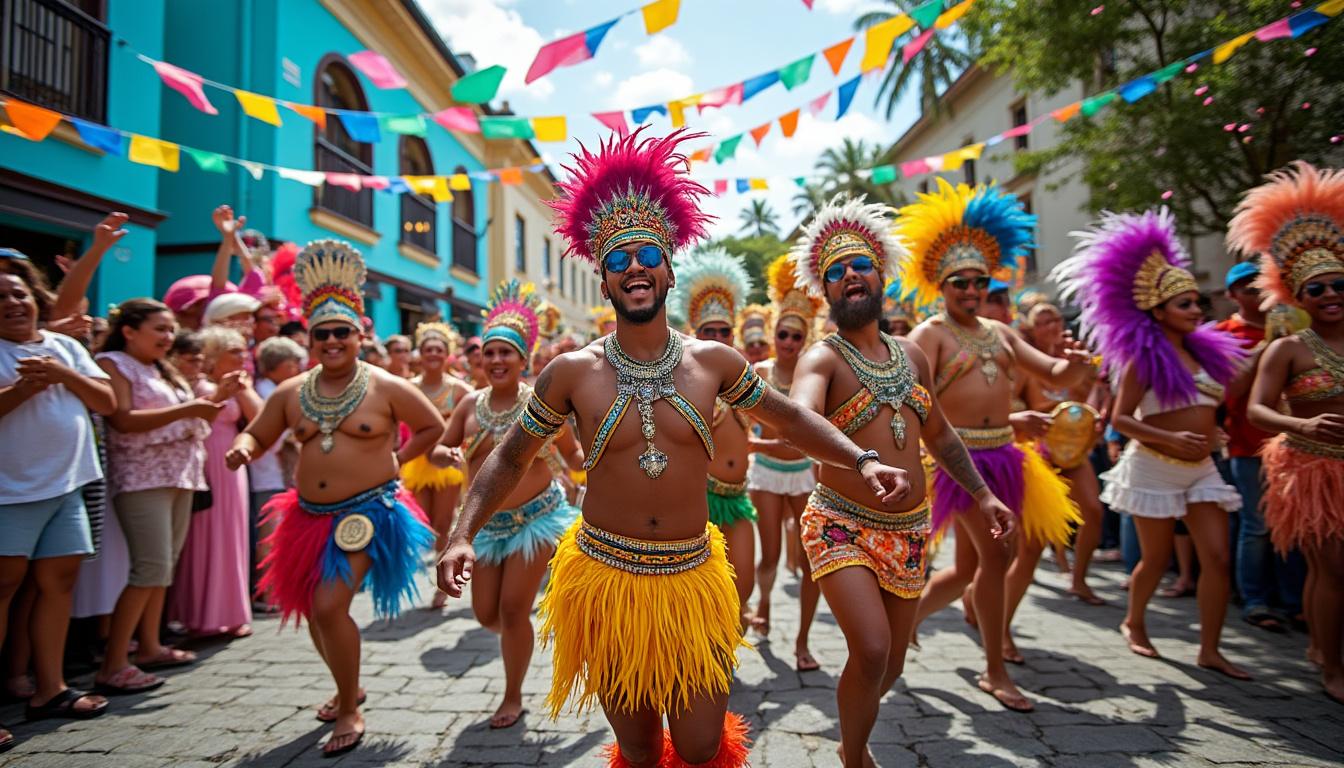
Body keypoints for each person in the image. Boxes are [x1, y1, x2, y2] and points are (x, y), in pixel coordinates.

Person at [438, 129, 912, 768]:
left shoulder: (714, 361)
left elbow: (792, 418)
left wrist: (860, 458)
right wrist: (463, 532)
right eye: (619, 258)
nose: (635, 265)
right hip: (606, 577)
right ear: (604, 281)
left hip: (694, 574)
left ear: (668, 267)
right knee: (635, 748)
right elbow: (510, 455)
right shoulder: (570, 373)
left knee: (700, 744)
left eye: (648, 253)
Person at [786, 195, 1013, 765]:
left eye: (859, 264)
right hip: (840, 523)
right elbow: (800, 418)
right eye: (835, 272)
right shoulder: (822, 359)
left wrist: (983, 495)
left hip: (910, 531)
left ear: (880, 273)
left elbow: (939, 435)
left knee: (890, 666)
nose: (849, 276)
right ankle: (855, 755)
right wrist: (861, 460)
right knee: (871, 647)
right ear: (827, 291)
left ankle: (849, 737)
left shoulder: (912, 356)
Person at [225, 239, 441, 756]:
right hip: (307, 515)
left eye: (342, 331)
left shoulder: (385, 385)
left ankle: (349, 706)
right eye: (322, 333)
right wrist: (241, 446)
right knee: (315, 612)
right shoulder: (290, 391)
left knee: (328, 606)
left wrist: (397, 463)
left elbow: (431, 426)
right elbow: (258, 431)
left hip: (370, 511)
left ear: (359, 334)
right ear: (311, 339)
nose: (332, 340)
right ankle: (350, 683)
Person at [903, 180, 1087, 712]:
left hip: (1007, 457)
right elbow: (918, 402)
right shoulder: (929, 336)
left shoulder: (1000, 333)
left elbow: (1052, 371)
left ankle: (912, 615)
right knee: (997, 554)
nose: (970, 290)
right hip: (958, 464)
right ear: (941, 284)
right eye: (959, 281)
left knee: (969, 568)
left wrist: (1076, 365)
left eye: (979, 281)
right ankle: (994, 668)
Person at [1053, 208, 1248, 679]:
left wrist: (1212, 431)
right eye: (1185, 305)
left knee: (1217, 557)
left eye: (1197, 303)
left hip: (1201, 466)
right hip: (1152, 465)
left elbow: (1220, 405)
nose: (1196, 311)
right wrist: (1169, 436)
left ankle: (1210, 649)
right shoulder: (1142, 361)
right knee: (1156, 559)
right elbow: (1120, 418)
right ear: (1157, 312)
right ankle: (1134, 621)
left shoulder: (1210, 355)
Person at [441, 279, 580, 729]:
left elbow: (575, 455)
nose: (497, 360)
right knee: (486, 614)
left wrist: (599, 467)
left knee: (514, 609)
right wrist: (447, 453)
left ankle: (512, 695)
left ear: (523, 359)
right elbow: (443, 445)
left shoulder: (542, 403)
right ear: (479, 359)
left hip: (538, 519)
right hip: (486, 526)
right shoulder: (467, 404)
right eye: (490, 352)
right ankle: (518, 638)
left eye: (507, 353)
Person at [1232, 161, 1344, 702]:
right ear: (1298, 296)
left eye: (1338, 283)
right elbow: (1256, 410)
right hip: (1313, 467)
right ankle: (1330, 669)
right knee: (1332, 568)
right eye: (1316, 287)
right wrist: (1303, 421)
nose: (1329, 294)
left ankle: (1324, 645)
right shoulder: (1287, 348)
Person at [0, 256, 115, 748]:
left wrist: (62, 374)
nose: (11, 303)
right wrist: (23, 387)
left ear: (35, 297)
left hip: (67, 485)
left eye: (18, 294)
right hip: (10, 490)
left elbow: (107, 401)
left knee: (58, 582)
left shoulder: (64, 346)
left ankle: (51, 689)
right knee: (3, 587)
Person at [94, 299, 217, 693]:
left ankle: (149, 646)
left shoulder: (160, 369)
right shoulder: (113, 363)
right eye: (159, 329)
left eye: (170, 331)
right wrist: (187, 412)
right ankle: (114, 664)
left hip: (179, 475)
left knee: (163, 569)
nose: (168, 337)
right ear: (129, 330)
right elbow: (123, 419)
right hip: (141, 478)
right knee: (149, 568)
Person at [668, 247, 758, 627]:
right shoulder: (685, 380)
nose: (718, 337)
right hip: (700, 501)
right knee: (704, 590)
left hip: (737, 500)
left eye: (724, 331)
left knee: (744, 586)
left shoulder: (747, 379)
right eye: (710, 332)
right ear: (696, 335)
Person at [748, 254, 826, 670]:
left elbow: (809, 437)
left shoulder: (814, 374)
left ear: (806, 338)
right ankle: (763, 604)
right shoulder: (758, 372)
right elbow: (740, 432)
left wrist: (763, 446)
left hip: (801, 475)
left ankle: (802, 640)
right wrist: (759, 448)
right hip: (765, 477)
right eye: (783, 334)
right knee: (771, 555)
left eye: (797, 337)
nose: (789, 343)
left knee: (812, 558)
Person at [1215, 259, 1298, 630]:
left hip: (1297, 447)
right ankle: (1254, 599)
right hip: (1247, 446)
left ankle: (1295, 600)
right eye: (1249, 288)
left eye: (1262, 286)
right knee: (1256, 526)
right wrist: (1267, 349)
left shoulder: (1301, 328)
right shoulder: (1224, 334)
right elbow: (1226, 393)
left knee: (1295, 528)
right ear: (1232, 294)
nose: (1257, 293)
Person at [169, 326, 260, 637]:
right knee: (203, 536)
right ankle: (198, 615)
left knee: (231, 535)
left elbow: (261, 418)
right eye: (235, 351)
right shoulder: (195, 385)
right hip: (204, 461)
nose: (243, 356)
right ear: (215, 355)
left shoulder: (239, 384)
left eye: (244, 350)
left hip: (232, 464)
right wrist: (222, 391)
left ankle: (229, 613)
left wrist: (243, 388)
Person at [1017, 300, 1109, 605]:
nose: (1052, 326)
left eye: (1055, 318)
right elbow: (1013, 404)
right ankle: (995, 605)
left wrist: (1094, 415)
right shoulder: (1025, 364)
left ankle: (1079, 579)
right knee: (1034, 538)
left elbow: (1093, 393)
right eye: (1043, 321)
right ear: (1032, 329)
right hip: (1038, 452)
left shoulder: (1077, 357)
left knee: (1093, 512)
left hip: (1073, 452)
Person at [402, 322, 471, 608]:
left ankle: (443, 584)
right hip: (417, 463)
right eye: (428, 349)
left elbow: (475, 413)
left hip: (447, 464)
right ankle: (439, 568)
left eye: (438, 349)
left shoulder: (458, 389)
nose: (433, 353)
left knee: (443, 524)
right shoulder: (409, 387)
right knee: (426, 524)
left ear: (447, 354)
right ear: (420, 353)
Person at [248, 336, 307, 606]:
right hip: (266, 474)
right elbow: (270, 434)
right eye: (292, 362)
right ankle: (268, 594)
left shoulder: (275, 389)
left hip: (277, 474)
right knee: (269, 535)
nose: (297, 367)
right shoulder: (266, 391)